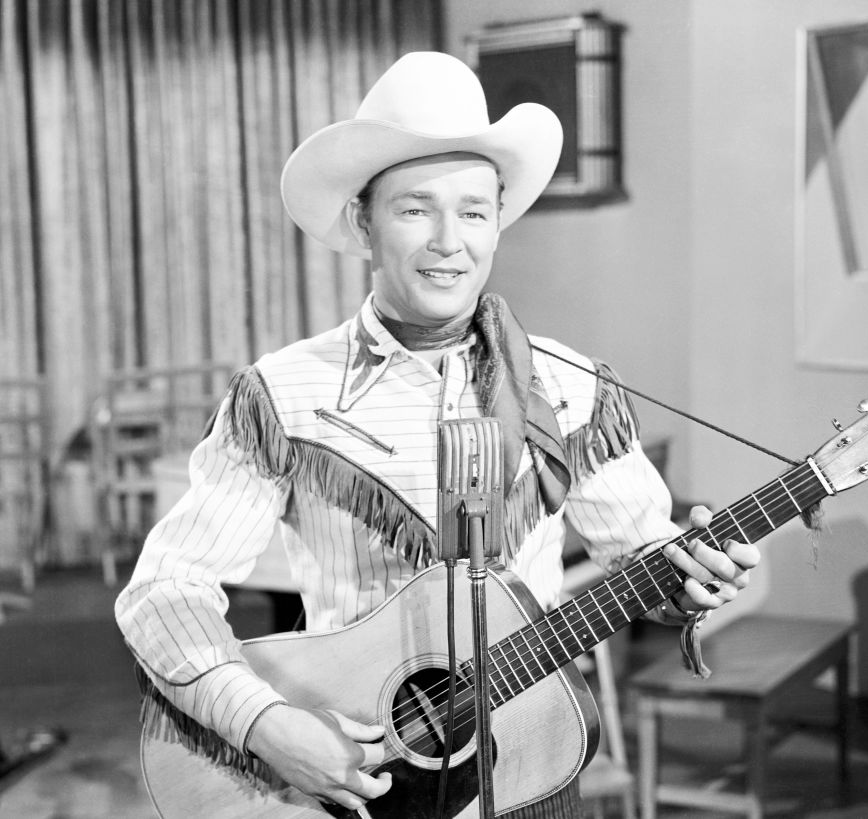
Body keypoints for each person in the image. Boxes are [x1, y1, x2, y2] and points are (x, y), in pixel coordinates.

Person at [115, 51, 760, 818]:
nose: (449, 240)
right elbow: (163, 591)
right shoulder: (283, 394)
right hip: (348, 784)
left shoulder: (570, 383)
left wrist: (691, 581)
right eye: (416, 208)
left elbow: (643, 555)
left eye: (475, 211)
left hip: (531, 776)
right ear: (362, 219)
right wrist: (266, 724)